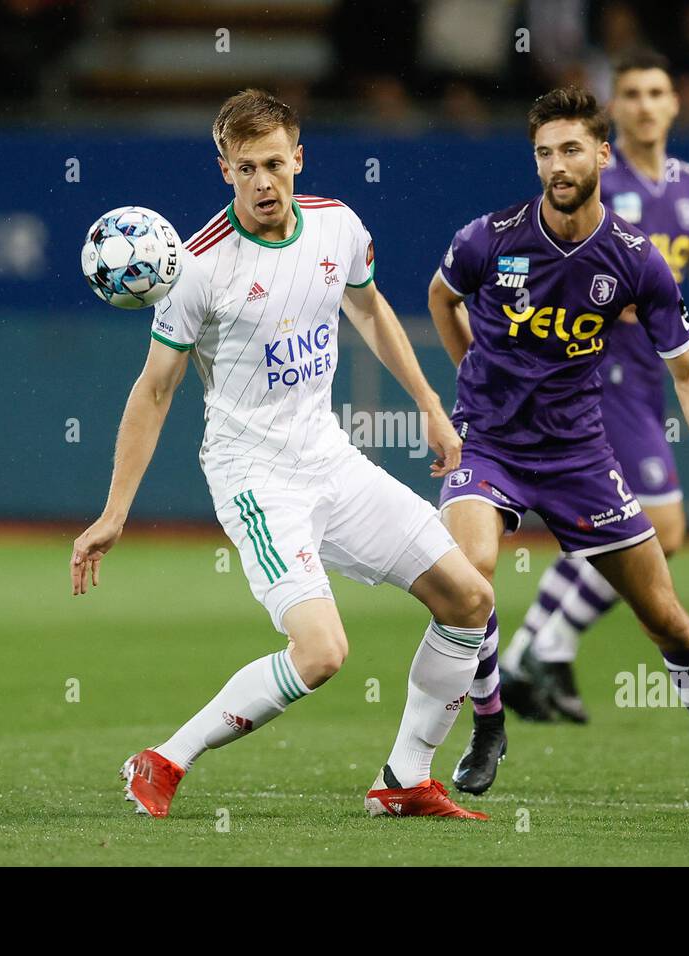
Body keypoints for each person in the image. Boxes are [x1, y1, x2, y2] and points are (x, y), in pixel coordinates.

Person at [71, 89, 494, 821]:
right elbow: (154, 392)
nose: (263, 181)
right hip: (255, 479)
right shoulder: (197, 270)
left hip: (330, 459)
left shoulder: (337, 227)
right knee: (323, 653)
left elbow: (368, 306)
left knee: (470, 599)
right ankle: (165, 759)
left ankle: (403, 778)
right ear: (223, 170)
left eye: (275, 163)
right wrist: (115, 512)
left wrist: (430, 403)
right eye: (245, 168)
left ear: (298, 158)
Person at [429, 86, 689, 805]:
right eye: (544, 152)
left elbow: (688, 375)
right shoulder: (489, 235)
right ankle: (487, 724)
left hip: (578, 457)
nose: (556, 166)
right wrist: (469, 378)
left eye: (571, 149)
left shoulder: (637, 261)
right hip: (490, 444)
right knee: (469, 577)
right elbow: (441, 296)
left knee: (664, 616)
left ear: (603, 154)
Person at [500, 49, 689, 727]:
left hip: (647, 371)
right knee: (664, 527)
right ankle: (543, 645)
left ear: (675, 102)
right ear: (614, 111)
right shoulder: (592, 177)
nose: (647, 104)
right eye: (633, 94)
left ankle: (532, 651)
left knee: (629, 530)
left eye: (658, 91)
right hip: (595, 368)